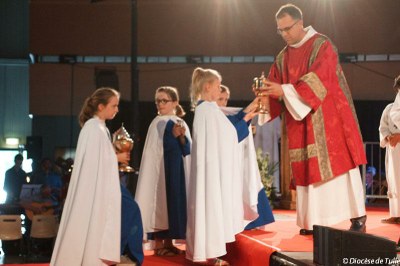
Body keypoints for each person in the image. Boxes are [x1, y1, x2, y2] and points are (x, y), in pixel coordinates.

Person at [259, 4, 367, 235]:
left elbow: (319, 79)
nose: (285, 34)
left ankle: (357, 215)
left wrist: (284, 91)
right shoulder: (282, 57)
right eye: (280, 30)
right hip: (300, 122)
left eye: (288, 28)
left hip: (330, 118)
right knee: (308, 170)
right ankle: (311, 221)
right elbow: (274, 87)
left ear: (300, 23)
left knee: (339, 166)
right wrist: (264, 94)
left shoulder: (322, 45)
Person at [186, 67, 260, 265]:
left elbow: (226, 129)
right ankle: (211, 256)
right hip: (211, 173)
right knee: (212, 208)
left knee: (208, 208)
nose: (220, 91)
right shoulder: (208, 109)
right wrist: (246, 119)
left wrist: (250, 109)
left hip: (208, 170)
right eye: (218, 87)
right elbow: (229, 135)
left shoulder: (204, 109)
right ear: (208, 86)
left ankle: (208, 253)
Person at [51, 87, 122, 265]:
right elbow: (93, 163)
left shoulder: (99, 128)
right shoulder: (93, 129)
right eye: (113, 106)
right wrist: (116, 157)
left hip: (98, 188)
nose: (116, 109)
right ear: (100, 106)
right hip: (92, 191)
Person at [135, 86, 191, 257]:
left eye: (164, 100)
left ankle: (169, 243)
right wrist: (173, 133)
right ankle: (159, 244)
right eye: (157, 101)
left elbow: (187, 150)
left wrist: (181, 136)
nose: (160, 104)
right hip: (162, 173)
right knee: (161, 205)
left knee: (173, 205)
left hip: (176, 171)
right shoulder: (158, 122)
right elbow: (158, 149)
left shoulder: (179, 121)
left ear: (175, 102)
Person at [216, 85, 275, 230]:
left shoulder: (227, 113)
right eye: (220, 99)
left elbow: (239, 117)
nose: (223, 103)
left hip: (235, 158)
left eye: (225, 99)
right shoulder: (211, 115)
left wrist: (257, 102)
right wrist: (246, 116)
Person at [378, 74, 400, 224]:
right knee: (393, 180)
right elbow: (383, 127)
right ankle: (395, 214)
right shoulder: (390, 109)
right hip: (393, 150)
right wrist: (387, 138)